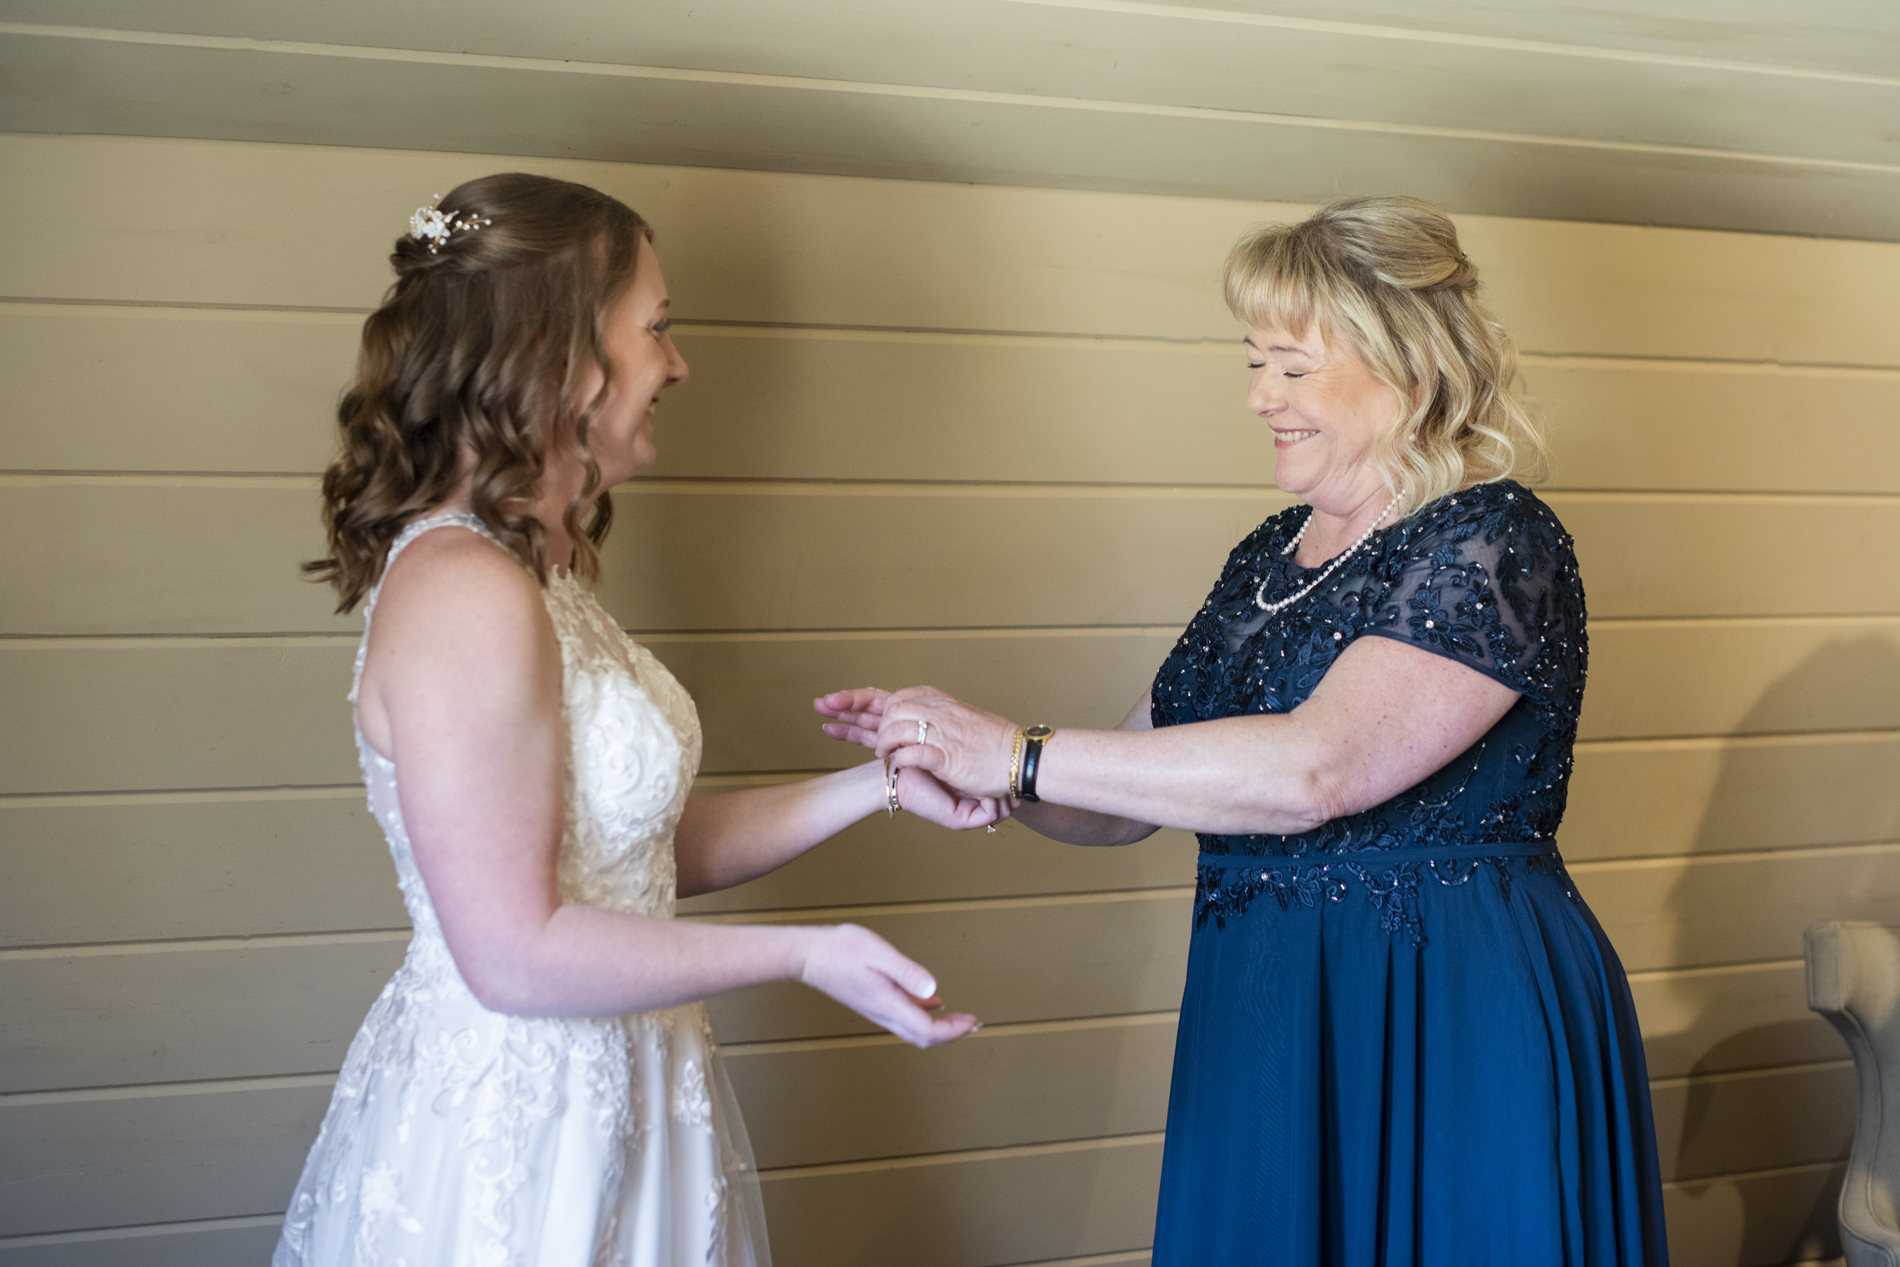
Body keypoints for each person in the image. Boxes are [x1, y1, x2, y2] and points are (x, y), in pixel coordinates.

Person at [818, 195, 1668, 1264]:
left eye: (1292, 368)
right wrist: (972, 769)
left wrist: (1019, 750)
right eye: (1252, 361)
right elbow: (1131, 788)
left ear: (1409, 365)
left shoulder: (1493, 539)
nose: (1260, 397)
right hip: (1268, 1003)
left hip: (1447, 1003)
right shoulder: (1268, 553)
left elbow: (1319, 766)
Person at [277, 173, 1000, 1267]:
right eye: (655, 329)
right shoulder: (465, 589)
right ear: (554, 357)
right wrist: (807, 953)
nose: (677, 363)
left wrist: (882, 783)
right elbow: (513, 955)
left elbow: (626, 857)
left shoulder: (538, 571)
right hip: (517, 1135)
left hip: (632, 1090)